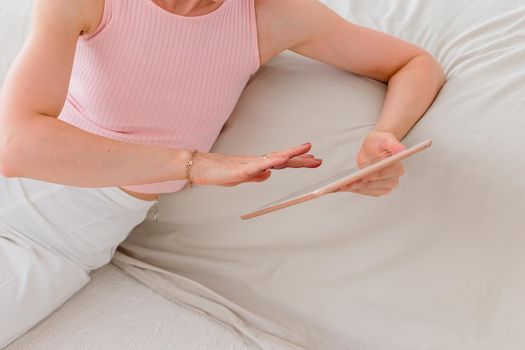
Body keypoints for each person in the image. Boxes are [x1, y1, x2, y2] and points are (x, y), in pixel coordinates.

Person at [0, 0, 445, 346]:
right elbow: (15, 146)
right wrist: (192, 164)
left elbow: (415, 64)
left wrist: (383, 135)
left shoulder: (271, 16)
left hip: (56, 241)